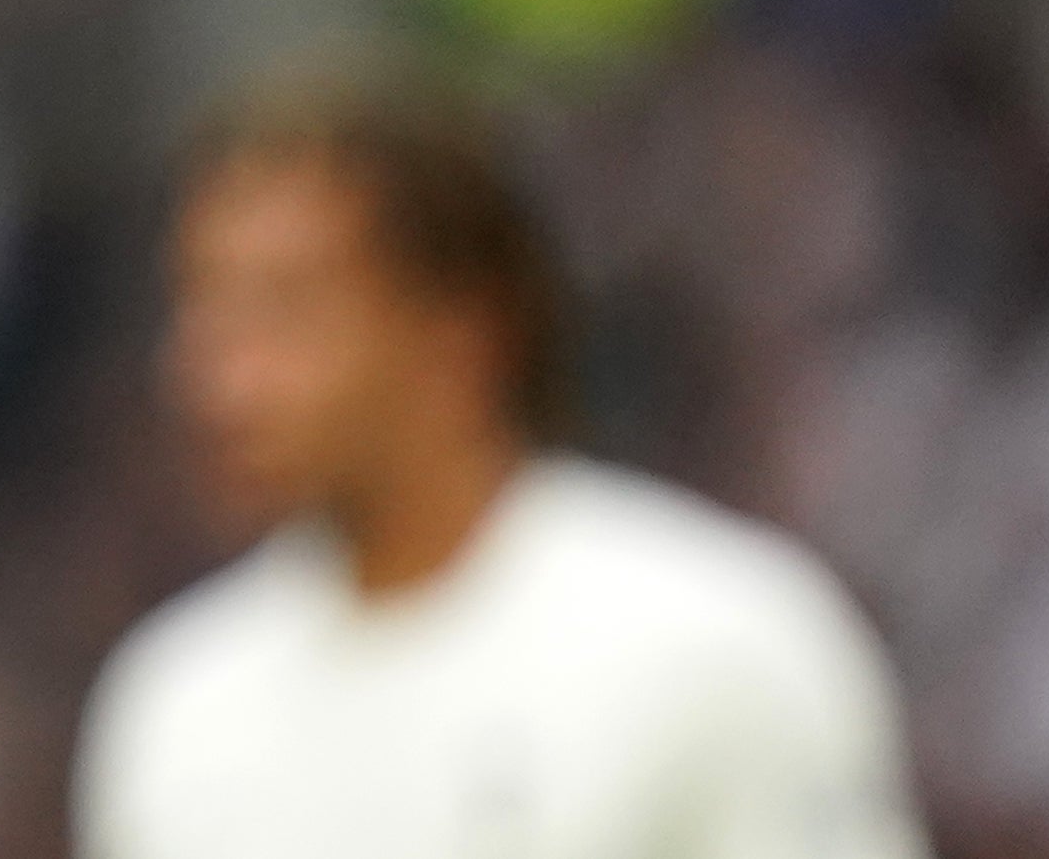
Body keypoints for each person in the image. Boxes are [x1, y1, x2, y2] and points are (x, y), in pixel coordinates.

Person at [73, 63, 924, 859]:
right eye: (203, 310)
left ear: (463, 331)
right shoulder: (172, 707)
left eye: (287, 311)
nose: (217, 377)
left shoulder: (714, 642)